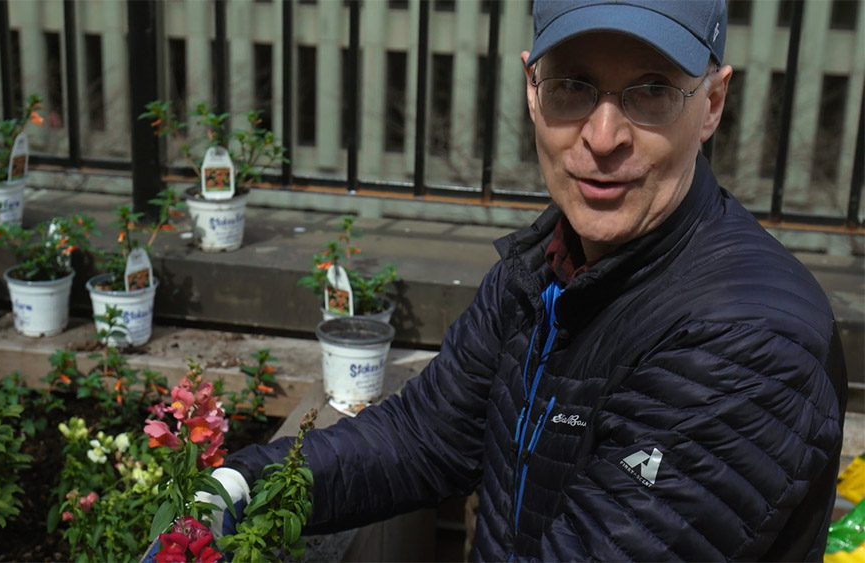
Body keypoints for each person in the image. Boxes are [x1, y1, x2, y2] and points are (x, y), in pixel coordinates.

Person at [213, 0, 849, 560]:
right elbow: (424, 438)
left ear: (711, 103)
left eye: (651, 90)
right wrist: (239, 486)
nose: (603, 138)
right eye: (573, 86)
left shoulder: (749, 339)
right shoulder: (553, 261)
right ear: (532, 89)